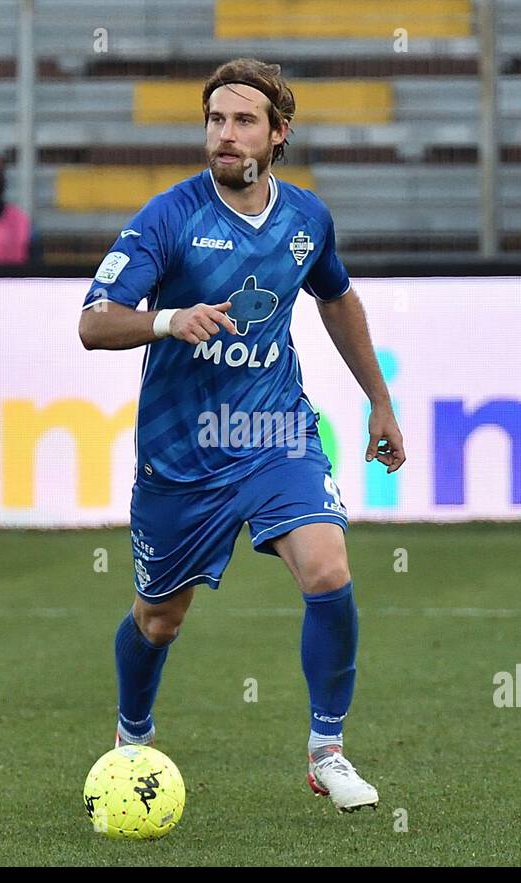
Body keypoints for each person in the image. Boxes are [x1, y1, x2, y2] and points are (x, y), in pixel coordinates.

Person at [78, 58, 406, 812]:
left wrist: (378, 401)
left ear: (277, 133)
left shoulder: (306, 219)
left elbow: (336, 296)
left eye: (243, 121)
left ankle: (327, 751)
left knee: (327, 568)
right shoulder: (169, 216)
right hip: (182, 451)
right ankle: (133, 737)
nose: (225, 136)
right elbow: (94, 323)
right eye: (216, 121)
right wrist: (167, 319)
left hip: (274, 429)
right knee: (160, 617)